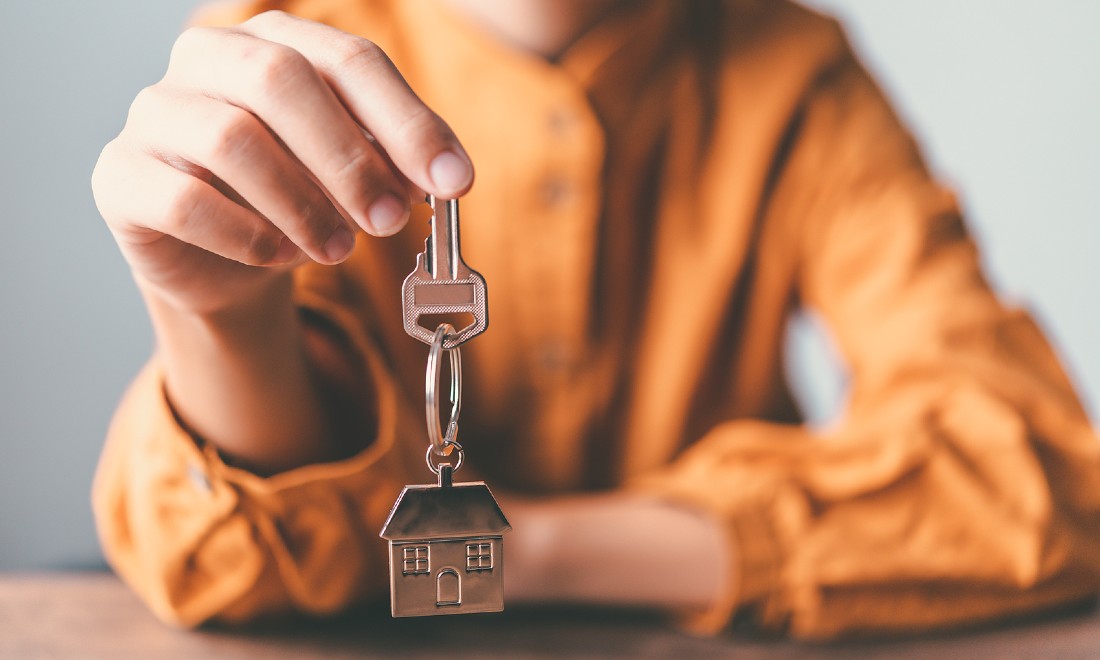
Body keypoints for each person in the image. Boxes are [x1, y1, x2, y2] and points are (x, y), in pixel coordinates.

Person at [90, 0, 1100, 639]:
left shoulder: (795, 76)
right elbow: (223, 569)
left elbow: (1039, 484)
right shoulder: (267, 79)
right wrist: (215, 320)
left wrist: (516, 552)